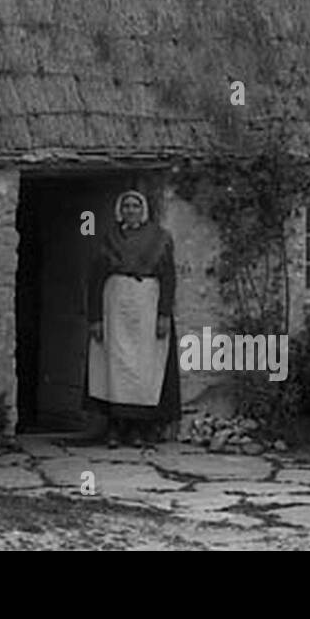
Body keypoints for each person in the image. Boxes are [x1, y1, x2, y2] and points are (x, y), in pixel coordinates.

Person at [85, 189, 180, 447]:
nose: (130, 210)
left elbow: (169, 278)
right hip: (115, 304)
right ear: (119, 210)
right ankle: (115, 427)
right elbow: (95, 279)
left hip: (146, 303)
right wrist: (95, 317)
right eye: (126, 205)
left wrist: (164, 314)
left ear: (144, 210)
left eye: (135, 206)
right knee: (115, 364)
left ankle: (139, 428)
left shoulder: (160, 238)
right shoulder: (108, 238)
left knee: (143, 366)